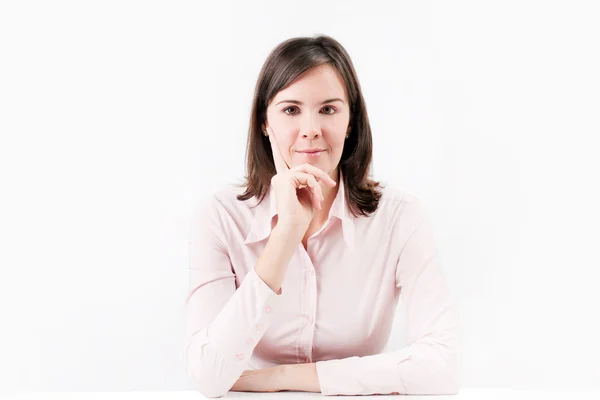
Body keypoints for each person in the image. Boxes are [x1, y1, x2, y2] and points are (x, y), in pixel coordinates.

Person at [184, 34, 461, 398]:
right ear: (264, 122)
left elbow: (443, 368)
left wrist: (278, 378)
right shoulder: (219, 217)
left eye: (328, 109)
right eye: (290, 110)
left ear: (350, 122)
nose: (311, 128)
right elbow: (207, 377)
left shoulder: (400, 217)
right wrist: (284, 238)